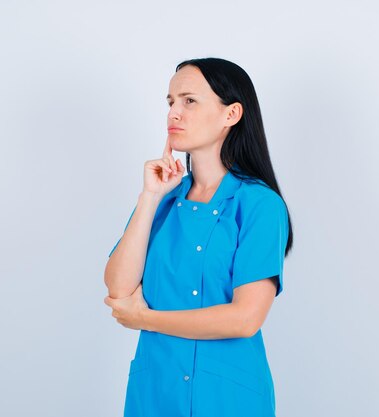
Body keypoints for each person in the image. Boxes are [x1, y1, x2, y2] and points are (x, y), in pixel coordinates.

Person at [103, 57, 293, 417]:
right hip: (155, 391)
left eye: (189, 100)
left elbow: (245, 318)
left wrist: (145, 318)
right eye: (170, 102)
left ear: (231, 114)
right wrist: (149, 198)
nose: (174, 113)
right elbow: (118, 287)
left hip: (226, 398)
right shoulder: (164, 198)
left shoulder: (259, 205)